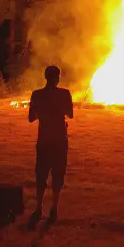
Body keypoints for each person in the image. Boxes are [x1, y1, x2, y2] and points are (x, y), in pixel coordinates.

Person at [28, 65, 73, 226]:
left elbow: (31, 118)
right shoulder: (64, 94)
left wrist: (39, 108)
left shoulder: (37, 94)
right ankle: (54, 207)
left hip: (44, 140)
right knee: (57, 174)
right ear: (57, 78)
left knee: (41, 174)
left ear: (46, 77)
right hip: (60, 140)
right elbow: (71, 115)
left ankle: (38, 207)